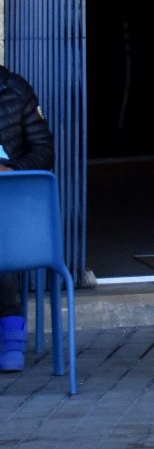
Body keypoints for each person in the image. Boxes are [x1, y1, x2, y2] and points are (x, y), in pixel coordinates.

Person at [0, 65, 54, 373]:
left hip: (10, 198)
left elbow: (44, 151)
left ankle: (10, 327)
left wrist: (12, 170)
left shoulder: (15, 89)